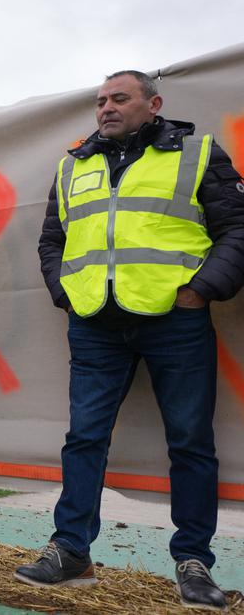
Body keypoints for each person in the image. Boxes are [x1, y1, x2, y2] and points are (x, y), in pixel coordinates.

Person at [17, 70, 244, 610]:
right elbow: (54, 239)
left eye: (120, 98)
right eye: (100, 101)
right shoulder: (75, 164)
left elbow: (237, 228)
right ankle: (71, 550)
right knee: (84, 438)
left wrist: (201, 290)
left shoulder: (196, 152)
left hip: (176, 320)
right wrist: (65, 292)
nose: (106, 108)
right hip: (95, 321)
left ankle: (193, 562)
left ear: (153, 103)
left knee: (190, 442)